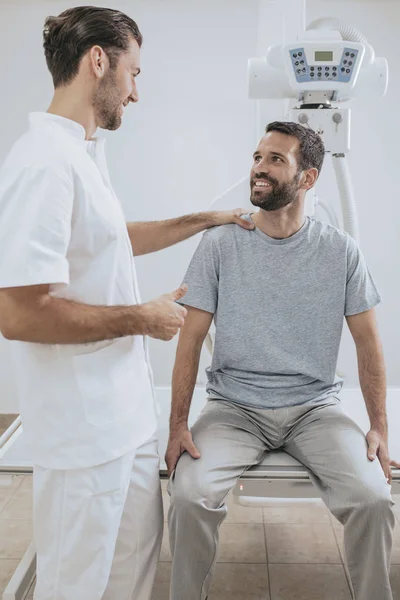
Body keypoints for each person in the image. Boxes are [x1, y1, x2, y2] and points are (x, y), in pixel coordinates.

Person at [0, 6, 254, 600]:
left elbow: (112, 240)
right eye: (133, 73)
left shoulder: (83, 154)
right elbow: (17, 312)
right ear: (98, 62)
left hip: (127, 421)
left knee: (134, 568)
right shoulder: (43, 165)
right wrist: (142, 317)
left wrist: (203, 219)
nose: (135, 92)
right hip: (85, 435)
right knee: (79, 585)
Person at [166, 121, 399, 600]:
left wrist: (378, 426)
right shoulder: (220, 244)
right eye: (257, 156)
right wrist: (178, 426)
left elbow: (368, 343)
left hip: (315, 408)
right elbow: (189, 341)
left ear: (308, 178)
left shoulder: (340, 251)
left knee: (374, 499)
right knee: (189, 498)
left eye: (276, 160)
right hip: (234, 409)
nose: (259, 168)